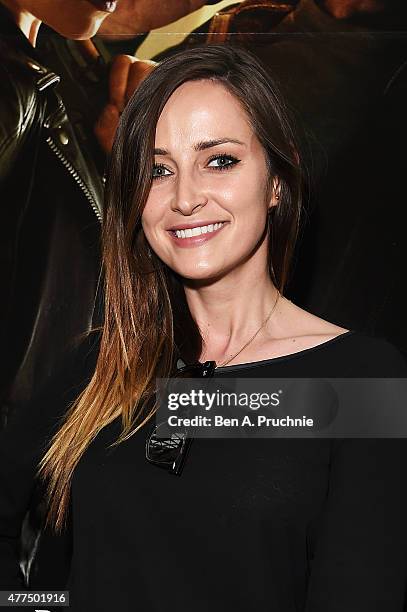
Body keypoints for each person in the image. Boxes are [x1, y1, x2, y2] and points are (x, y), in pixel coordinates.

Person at [2, 44, 407, 611]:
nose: (186, 198)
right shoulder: (100, 366)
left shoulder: (361, 382)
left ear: (276, 180)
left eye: (219, 160)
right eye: (158, 170)